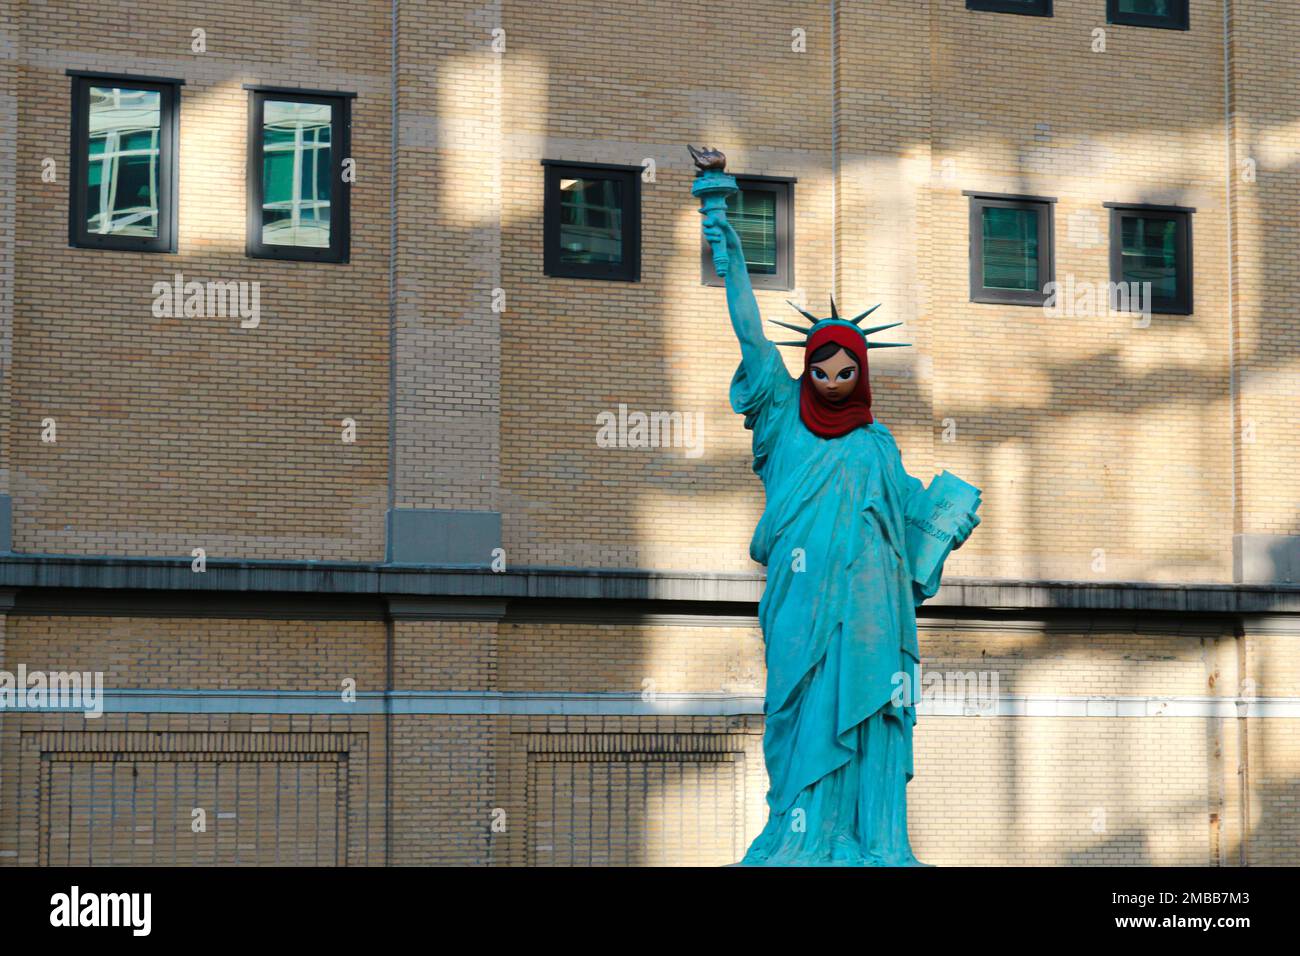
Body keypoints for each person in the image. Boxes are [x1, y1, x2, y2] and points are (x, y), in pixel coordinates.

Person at [701, 209, 977, 866]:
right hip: (800, 601)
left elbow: (909, 519)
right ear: (805, 370)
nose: (829, 383)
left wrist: (947, 514)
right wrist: (728, 244)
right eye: (818, 371)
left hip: (873, 607)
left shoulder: (877, 445)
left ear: (861, 375)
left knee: (873, 711)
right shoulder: (779, 417)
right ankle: (800, 838)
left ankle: (874, 841)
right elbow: (749, 334)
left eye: (842, 373)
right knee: (798, 712)